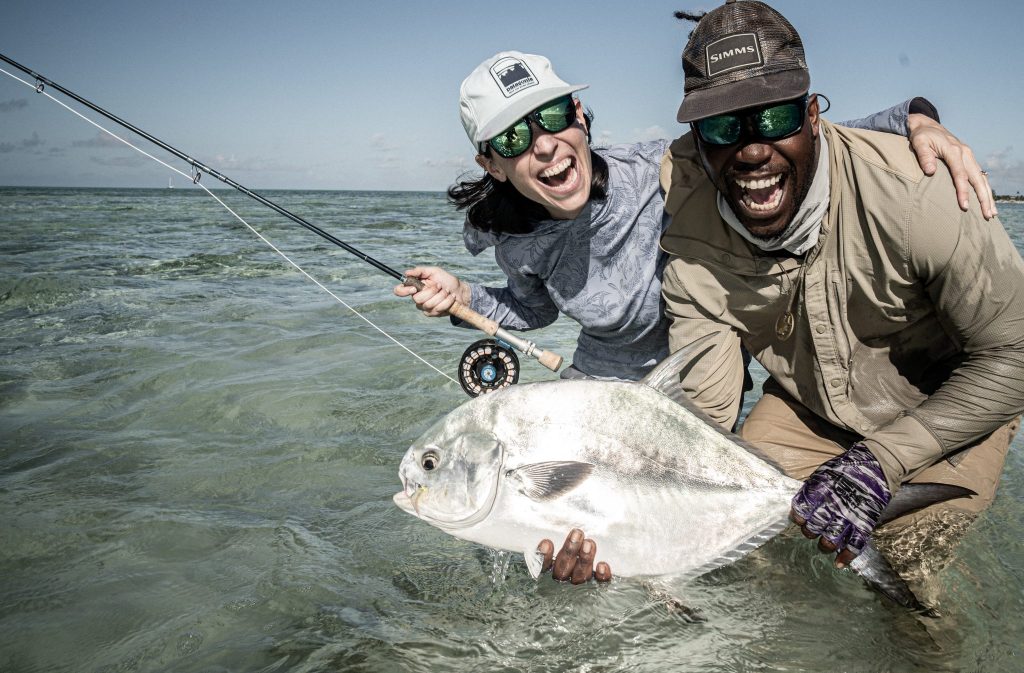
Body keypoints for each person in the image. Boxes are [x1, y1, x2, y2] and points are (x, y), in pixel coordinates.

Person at [551, 0, 1024, 605]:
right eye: (723, 127)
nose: (750, 151)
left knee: (910, 574)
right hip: (807, 410)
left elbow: (1014, 353)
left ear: (813, 115)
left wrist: (880, 463)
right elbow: (705, 415)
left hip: (947, 403)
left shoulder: (921, 193)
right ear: (697, 140)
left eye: (774, 117)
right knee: (755, 568)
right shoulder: (690, 238)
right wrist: (612, 515)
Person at [394, 50, 993, 383]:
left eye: (551, 118)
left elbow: (791, 142)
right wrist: (463, 296)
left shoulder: (663, 168)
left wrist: (914, 119)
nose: (544, 145)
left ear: (579, 115)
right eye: (514, 138)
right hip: (596, 383)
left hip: (700, 377)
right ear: (492, 164)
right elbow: (533, 309)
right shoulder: (513, 237)